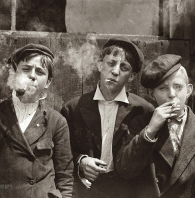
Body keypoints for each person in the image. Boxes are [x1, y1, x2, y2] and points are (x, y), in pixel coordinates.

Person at [115, 54, 195, 198]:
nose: (172, 94)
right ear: (151, 94)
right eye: (163, 88)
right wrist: (150, 131)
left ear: (189, 90)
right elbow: (125, 170)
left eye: (178, 87)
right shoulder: (141, 124)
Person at [60, 37, 154, 198]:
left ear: (131, 76)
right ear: (100, 64)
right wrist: (81, 161)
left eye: (124, 67)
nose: (116, 71)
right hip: (87, 192)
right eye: (111, 63)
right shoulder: (73, 108)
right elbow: (62, 153)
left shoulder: (143, 111)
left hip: (128, 192)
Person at [0, 44, 74, 198]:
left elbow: (65, 177)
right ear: (14, 74)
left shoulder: (56, 121)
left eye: (40, 72)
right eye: (26, 69)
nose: (33, 75)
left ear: (47, 82)